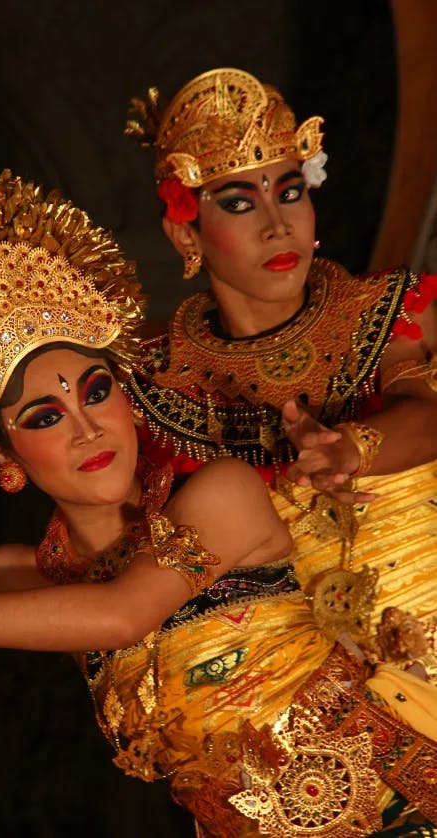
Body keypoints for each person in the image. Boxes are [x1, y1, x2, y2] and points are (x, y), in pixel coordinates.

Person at [0, 159, 436, 836]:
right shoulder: (41, 574)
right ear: (5, 456)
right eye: (45, 417)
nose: (88, 426)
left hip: (394, 812)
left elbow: (121, 616)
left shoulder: (223, 495)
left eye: (96, 392)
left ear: (130, 398)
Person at [124, 66, 437, 650]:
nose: (278, 225)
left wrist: (351, 448)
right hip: (310, 698)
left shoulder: (391, 307)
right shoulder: (156, 382)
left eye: (290, 193)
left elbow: (425, 413)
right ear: (185, 236)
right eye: (242, 204)